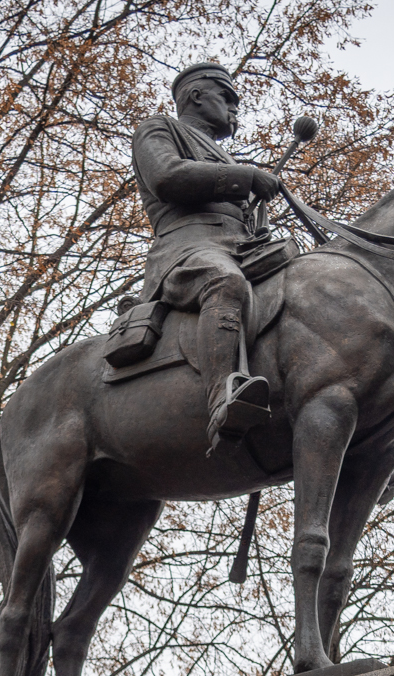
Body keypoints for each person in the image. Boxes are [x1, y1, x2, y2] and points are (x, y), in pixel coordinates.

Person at [129, 61, 283, 444]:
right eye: (227, 97)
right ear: (197, 96)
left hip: (243, 249)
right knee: (224, 282)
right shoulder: (158, 129)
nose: (235, 109)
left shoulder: (224, 156)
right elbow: (168, 177)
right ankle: (222, 398)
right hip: (188, 250)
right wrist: (246, 178)